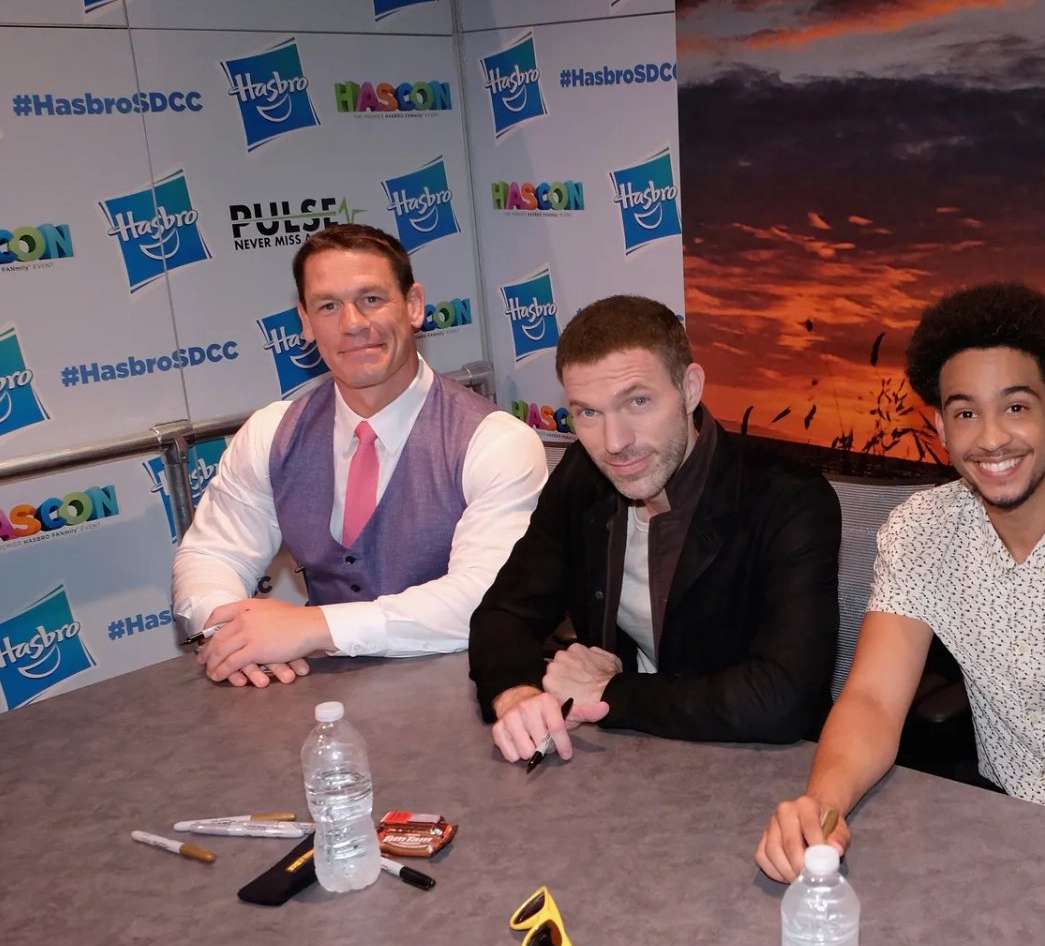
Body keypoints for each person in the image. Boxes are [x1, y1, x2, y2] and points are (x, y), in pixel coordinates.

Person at [756, 282, 1045, 882]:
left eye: (1015, 407)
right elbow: (874, 699)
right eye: (965, 413)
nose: (989, 438)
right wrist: (821, 805)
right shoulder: (920, 532)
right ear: (939, 426)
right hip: (997, 807)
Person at [172, 224, 547, 686]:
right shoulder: (272, 433)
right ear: (305, 323)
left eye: (371, 299)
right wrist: (234, 634)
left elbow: (484, 596)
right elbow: (211, 554)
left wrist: (311, 627)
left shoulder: (495, 441)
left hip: (467, 692)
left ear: (413, 306)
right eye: (328, 306)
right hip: (320, 698)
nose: (352, 323)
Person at [471, 295, 842, 758]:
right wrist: (517, 695)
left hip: (756, 768)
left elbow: (782, 699)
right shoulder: (583, 476)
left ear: (689, 388)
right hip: (624, 757)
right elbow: (504, 613)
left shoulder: (789, 499)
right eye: (588, 412)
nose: (615, 443)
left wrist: (610, 691)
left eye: (638, 402)